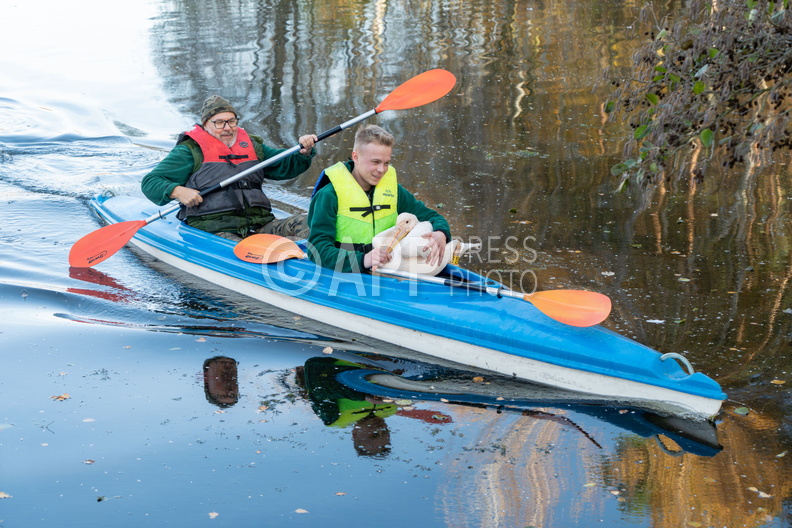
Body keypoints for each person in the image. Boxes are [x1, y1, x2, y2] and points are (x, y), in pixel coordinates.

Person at [141, 95, 317, 241]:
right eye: (219, 123)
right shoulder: (189, 151)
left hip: (260, 225)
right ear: (205, 125)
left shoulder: (253, 147)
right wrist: (178, 191)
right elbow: (150, 182)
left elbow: (284, 166)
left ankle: (327, 260)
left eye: (231, 121)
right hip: (214, 229)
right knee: (247, 248)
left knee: (315, 223)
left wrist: (303, 152)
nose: (227, 128)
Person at [307, 125, 450, 272]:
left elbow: (432, 216)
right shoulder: (328, 195)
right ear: (356, 157)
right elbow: (317, 249)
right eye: (375, 162)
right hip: (346, 268)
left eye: (386, 163)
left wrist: (441, 232)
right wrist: (363, 259)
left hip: (384, 266)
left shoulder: (394, 191)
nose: (382, 170)